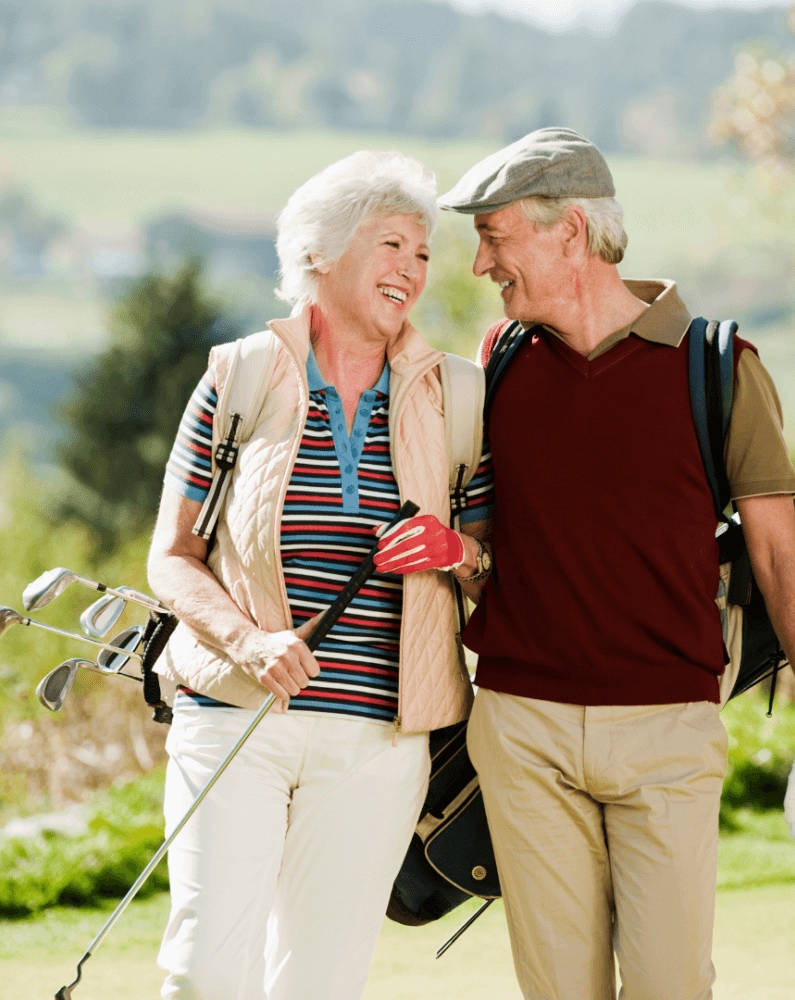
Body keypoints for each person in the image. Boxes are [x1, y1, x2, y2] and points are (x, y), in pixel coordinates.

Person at [436, 128, 795, 1000]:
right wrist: (461, 559)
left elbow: (780, 557)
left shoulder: (719, 368)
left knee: (672, 987)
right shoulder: (501, 362)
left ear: (570, 234)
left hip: (667, 732)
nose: (480, 264)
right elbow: (488, 544)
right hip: (522, 728)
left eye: (494, 237)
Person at [144, 149, 493, 1000]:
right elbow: (172, 557)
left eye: (421, 251)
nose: (412, 268)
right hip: (235, 714)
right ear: (319, 256)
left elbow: (497, 566)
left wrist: (457, 553)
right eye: (390, 245)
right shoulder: (240, 375)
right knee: (205, 971)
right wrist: (247, 640)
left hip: (381, 740)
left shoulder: (459, 395)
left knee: (320, 982)